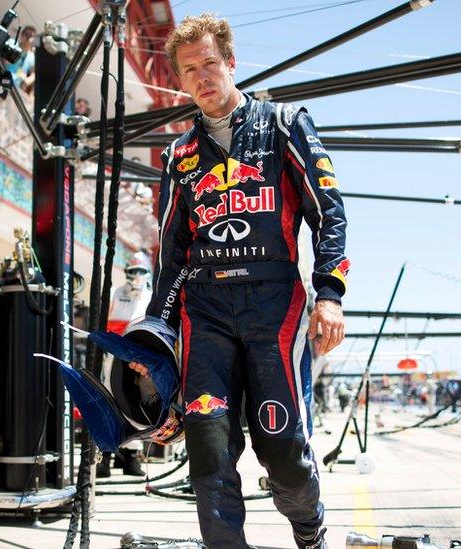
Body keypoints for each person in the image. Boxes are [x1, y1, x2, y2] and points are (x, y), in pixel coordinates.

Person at [128, 13, 348, 549]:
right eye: (189, 70)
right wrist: (157, 332)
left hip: (275, 304)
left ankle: (309, 526)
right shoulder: (178, 156)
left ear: (230, 63)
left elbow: (330, 212)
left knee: (280, 447)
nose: (203, 77)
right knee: (208, 447)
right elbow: (173, 253)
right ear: (179, 80)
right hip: (204, 311)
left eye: (210, 64)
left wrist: (330, 295)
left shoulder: (285, 124)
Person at [97, 253, 153, 478]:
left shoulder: (152, 296)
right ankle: (105, 457)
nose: (137, 277)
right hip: (113, 356)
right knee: (109, 401)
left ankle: (131, 458)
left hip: (139, 359)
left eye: (141, 272)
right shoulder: (114, 293)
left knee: (135, 404)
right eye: (133, 272)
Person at [7, 25, 36, 94]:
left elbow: (33, 74)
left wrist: (28, 80)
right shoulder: (12, 43)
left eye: (30, 36)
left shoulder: (31, 57)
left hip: (15, 88)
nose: (27, 38)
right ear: (21, 35)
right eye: (26, 34)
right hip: (1, 78)